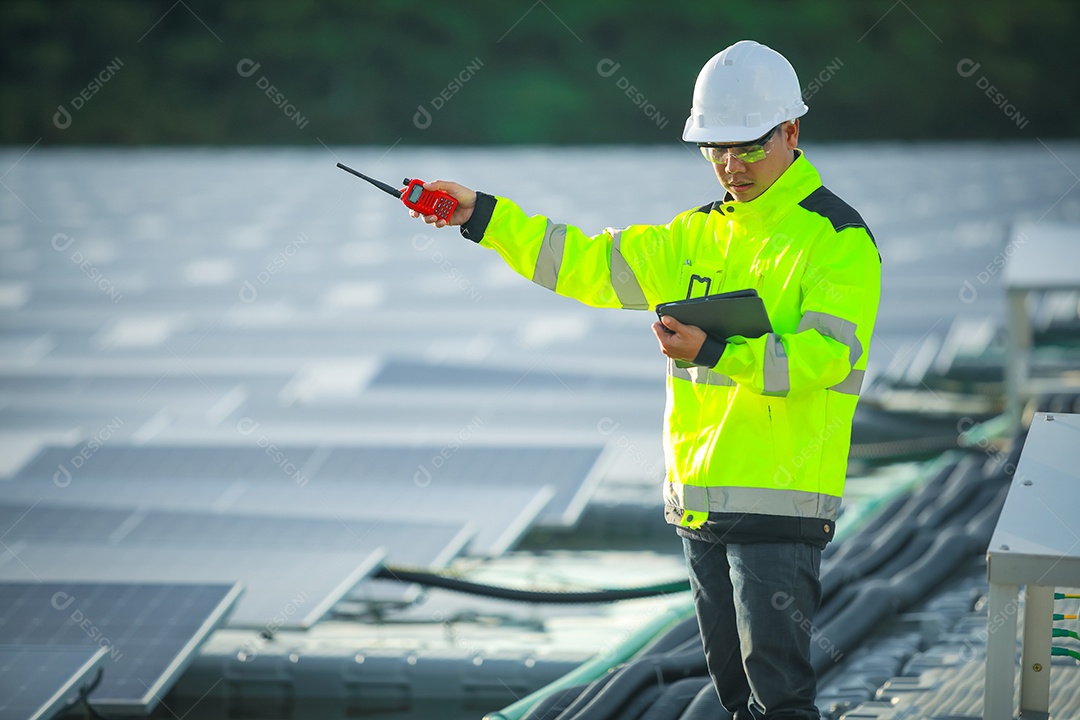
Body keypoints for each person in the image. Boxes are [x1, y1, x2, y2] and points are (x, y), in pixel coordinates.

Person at [409, 40, 880, 720]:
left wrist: (717, 351)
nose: (728, 165)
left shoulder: (836, 238)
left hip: (780, 501)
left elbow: (823, 359)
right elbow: (585, 263)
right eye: (713, 148)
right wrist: (479, 215)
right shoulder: (694, 233)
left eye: (745, 146)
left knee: (778, 692)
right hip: (700, 505)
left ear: (791, 132)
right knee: (733, 692)